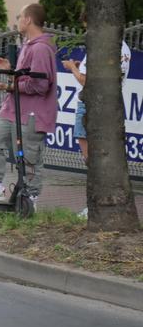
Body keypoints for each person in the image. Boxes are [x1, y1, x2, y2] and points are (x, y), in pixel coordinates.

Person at [0, 3, 58, 210]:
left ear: (28, 19)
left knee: (29, 157)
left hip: (31, 113)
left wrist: (11, 83)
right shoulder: (28, 45)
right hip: (13, 108)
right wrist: (10, 75)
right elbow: (25, 79)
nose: (17, 20)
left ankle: (30, 199)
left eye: (19, 16)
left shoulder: (40, 48)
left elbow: (39, 85)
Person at [61, 36, 131, 218]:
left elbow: (86, 81)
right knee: (105, 159)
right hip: (110, 104)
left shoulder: (101, 45)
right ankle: (108, 204)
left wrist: (72, 68)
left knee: (91, 161)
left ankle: (94, 206)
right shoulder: (123, 48)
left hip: (90, 104)